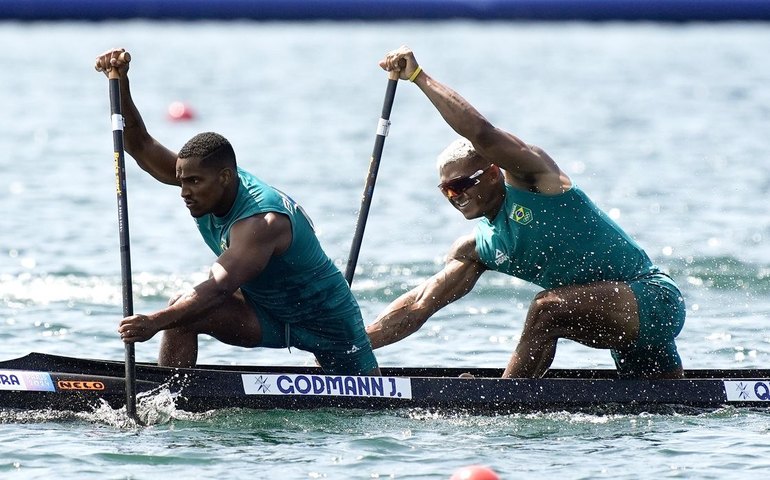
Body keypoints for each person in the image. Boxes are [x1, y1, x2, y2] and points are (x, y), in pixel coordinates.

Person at [366, 46, 685, 379]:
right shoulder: (477, 249)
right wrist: (351, 346)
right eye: (446, 190)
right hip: (614, 320)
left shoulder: (535, 180)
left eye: (460, 185)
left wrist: (418, 78)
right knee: (668, 405)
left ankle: (504, 402)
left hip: (652, 299)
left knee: (545, 309)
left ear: (492, 173)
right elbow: (418, 306)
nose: (454, 196)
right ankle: (517, 396)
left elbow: (482, 133)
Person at [94, 48, 379, 376]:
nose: (185, 192)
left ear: (226, 177)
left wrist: (152, 323)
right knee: (182, 314)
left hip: (329, 324)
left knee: (369, 403)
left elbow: (218, 289)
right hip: (267, 314)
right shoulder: (207, 185)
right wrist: (120, 82)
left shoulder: (261, 221)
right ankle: (166, 400)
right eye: (181, 182)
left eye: (194, 183)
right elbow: (140, 145)